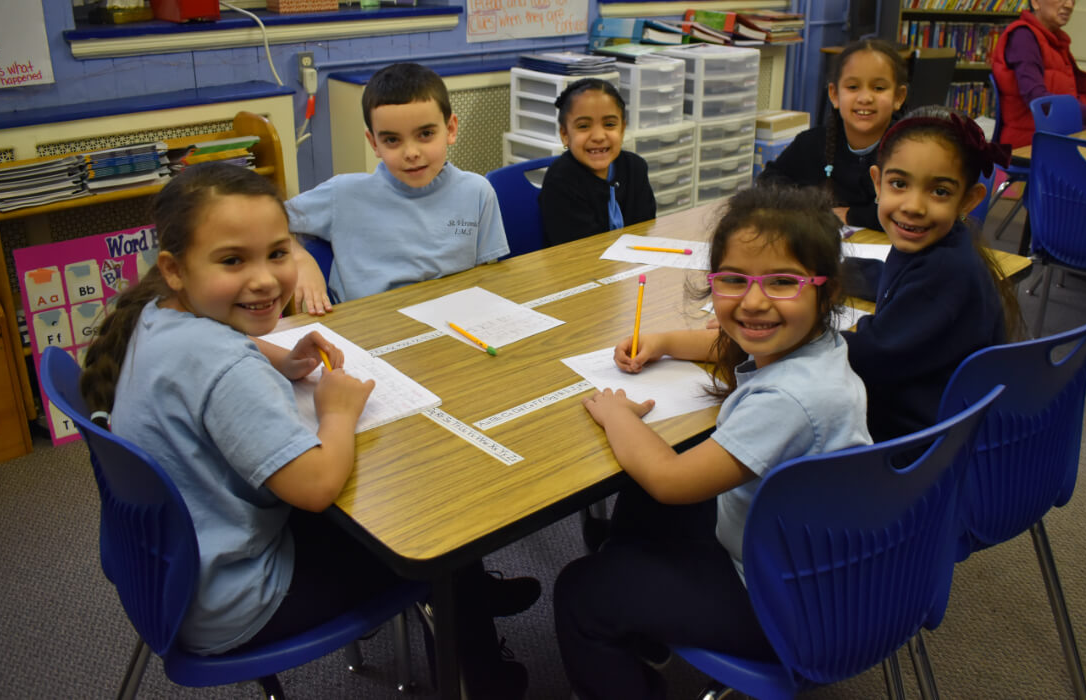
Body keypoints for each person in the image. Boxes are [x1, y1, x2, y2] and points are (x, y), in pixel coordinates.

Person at [79, 163, 534, 699]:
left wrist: (279, 357)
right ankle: (483, 673)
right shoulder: (223, 371)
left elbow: (218, 347)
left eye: (278, 253)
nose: (266, 278)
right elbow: (316, 487)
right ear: (175, 268)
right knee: (435, 529)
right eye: (233, 260)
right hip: (238, 596)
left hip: (172, 567)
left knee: (417, 506)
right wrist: (336, 412)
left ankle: (475, 595)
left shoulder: (156, 312)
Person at [554, 186, 872, 700]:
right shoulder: (820, 347)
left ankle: (625, 637)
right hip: (795, 555)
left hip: (783, 605)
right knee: (640, 504)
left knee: (580, 591)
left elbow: (671, 481)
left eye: (782, 283)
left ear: (825, 291)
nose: (753, 301)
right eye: (732, 280)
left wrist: (618, 417)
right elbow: (734, 337)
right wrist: (660, 341)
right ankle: (645, 628)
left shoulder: (790, 399)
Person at [845, 106, 1022, 443]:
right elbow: (888, 278)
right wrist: (821, 274)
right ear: (877, 183)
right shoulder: (937, 245)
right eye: (899, 184)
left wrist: (784, 336)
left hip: (912, 452)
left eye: (939, 191)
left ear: (968, 201)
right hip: (924, 429)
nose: (913, 206)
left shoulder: (947, 271)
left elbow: (867, 355)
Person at [288, 62, 509, 313]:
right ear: (374, 143)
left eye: (425, 134)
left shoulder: (477, 192)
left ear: (450, 129)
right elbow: (268, 224)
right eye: (392, 140)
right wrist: (300, 259)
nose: (411, 153)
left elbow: (487, 279)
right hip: (369, 327)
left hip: (453, 324)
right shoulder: (343, 194)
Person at [756, 39, 908, 231]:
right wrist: (811, 206)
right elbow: (768, 182)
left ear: (898, 97)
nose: (865, 98)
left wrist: (853, 215)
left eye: (879, 88)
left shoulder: (909, 151)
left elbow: (910, 208)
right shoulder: (811, 143)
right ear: (834, 94)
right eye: (852, 87)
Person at [991, 0, 1086, 149]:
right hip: (1031, 141)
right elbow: (1038, 98)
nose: (1069, 5)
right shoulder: (1023, 37)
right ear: (1035, 2)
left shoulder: (1054, 40)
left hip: (1056, 135)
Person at [539, 77, 657, 246]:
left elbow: (646, 229)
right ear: (565, 135)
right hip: (579, 267)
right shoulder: (561, 180)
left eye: (609, 124)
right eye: (583, 126)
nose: (598, 137)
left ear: (622, 129)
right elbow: (580, 250)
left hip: (630, 265)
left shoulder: (635, 168)